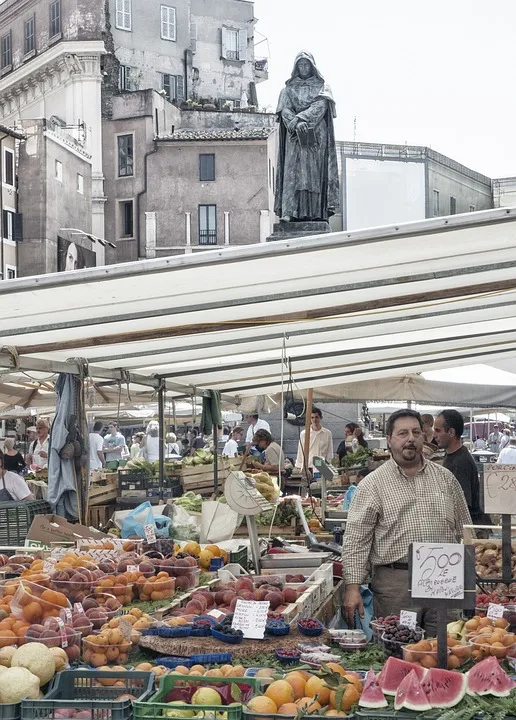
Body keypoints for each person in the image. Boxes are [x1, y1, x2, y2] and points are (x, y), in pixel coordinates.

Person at [342, 409, 471, 635]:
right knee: (398, 648)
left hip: (444, 580)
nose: (410, 438)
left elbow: (466, 530)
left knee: (445, 651)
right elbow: (356, 539)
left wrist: (471, 578)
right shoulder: (373, 485)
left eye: (415, 432)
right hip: (396, 584)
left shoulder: (445, 479)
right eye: (402, 433)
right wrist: (352, 587)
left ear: (424, 437)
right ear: (389, 440)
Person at [274, 51, 339, 223]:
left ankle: (315, 212)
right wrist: (295, 123)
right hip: (294, 136)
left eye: (306, 64)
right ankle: (289, 211)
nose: (303, 68)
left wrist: (301, 118)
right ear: (296, 67)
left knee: (312, 175)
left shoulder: (323, 88)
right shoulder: (287, 90)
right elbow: (284, 110)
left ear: (312, 66)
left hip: (315, 137)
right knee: (292, 173)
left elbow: (321, 106)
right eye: (300, 65)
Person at [433, 410, 490, 528]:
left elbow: (462, 504)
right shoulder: (452, 456)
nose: (434, 435)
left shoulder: (460, 462)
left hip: (471, 528)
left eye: (438, 430)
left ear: (451, 432)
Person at [295, 407, 333, 472]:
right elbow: (300, 451)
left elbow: (329, 451)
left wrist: (328, 466)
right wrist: (299, 466)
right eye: (312, 417)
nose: (314, 420)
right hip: (308, 467)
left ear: (321, 418)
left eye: (316, 417)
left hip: (322, 467)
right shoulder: (304, 434)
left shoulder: (327, 433)